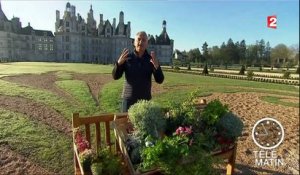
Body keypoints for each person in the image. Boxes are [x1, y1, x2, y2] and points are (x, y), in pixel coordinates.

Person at [112, 31, 164, 112]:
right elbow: (115, 76)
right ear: (134, 42)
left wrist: (157, 67)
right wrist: (118, 64)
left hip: (145, 101)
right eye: (138, 39)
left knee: (143, 124)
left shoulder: (152, 60)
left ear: (147, 43)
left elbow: (160, 80)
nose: (141, 42)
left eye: (144, 40)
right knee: (126, 124)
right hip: (128, 100)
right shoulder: (126, 58)